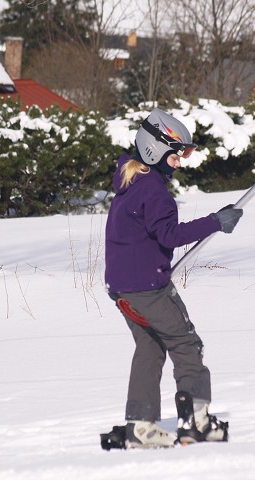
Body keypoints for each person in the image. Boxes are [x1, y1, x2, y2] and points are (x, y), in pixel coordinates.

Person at [104, 108, 243, 448]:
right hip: (147, 287)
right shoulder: (153, 190)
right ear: (155, 149)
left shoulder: (128, 181)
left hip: (122, 288)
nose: (180, 162)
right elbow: (169, 235)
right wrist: (215, 222)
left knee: (150, 349)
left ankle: (141, 425)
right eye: (177, 154)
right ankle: (197, 420)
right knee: (185, 343)